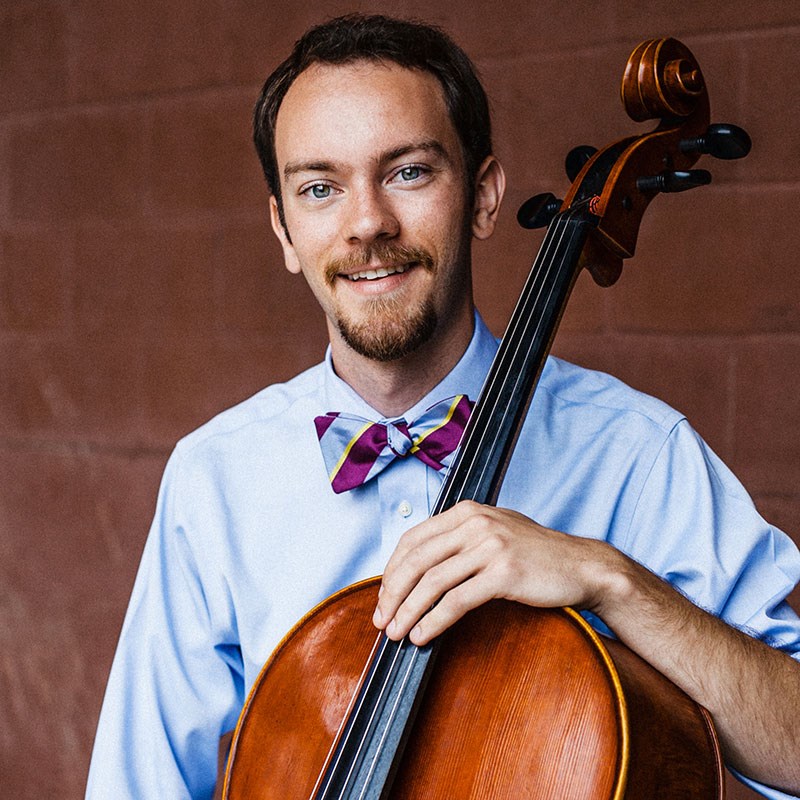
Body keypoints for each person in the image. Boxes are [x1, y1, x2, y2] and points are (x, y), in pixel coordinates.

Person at [86, 13, 800, 799]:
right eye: (320, 188)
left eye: (409, 172)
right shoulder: (214, 478)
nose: (367, 225)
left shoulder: (635, 453)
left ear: (484, 197)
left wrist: (609, 580)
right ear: (284, 230)